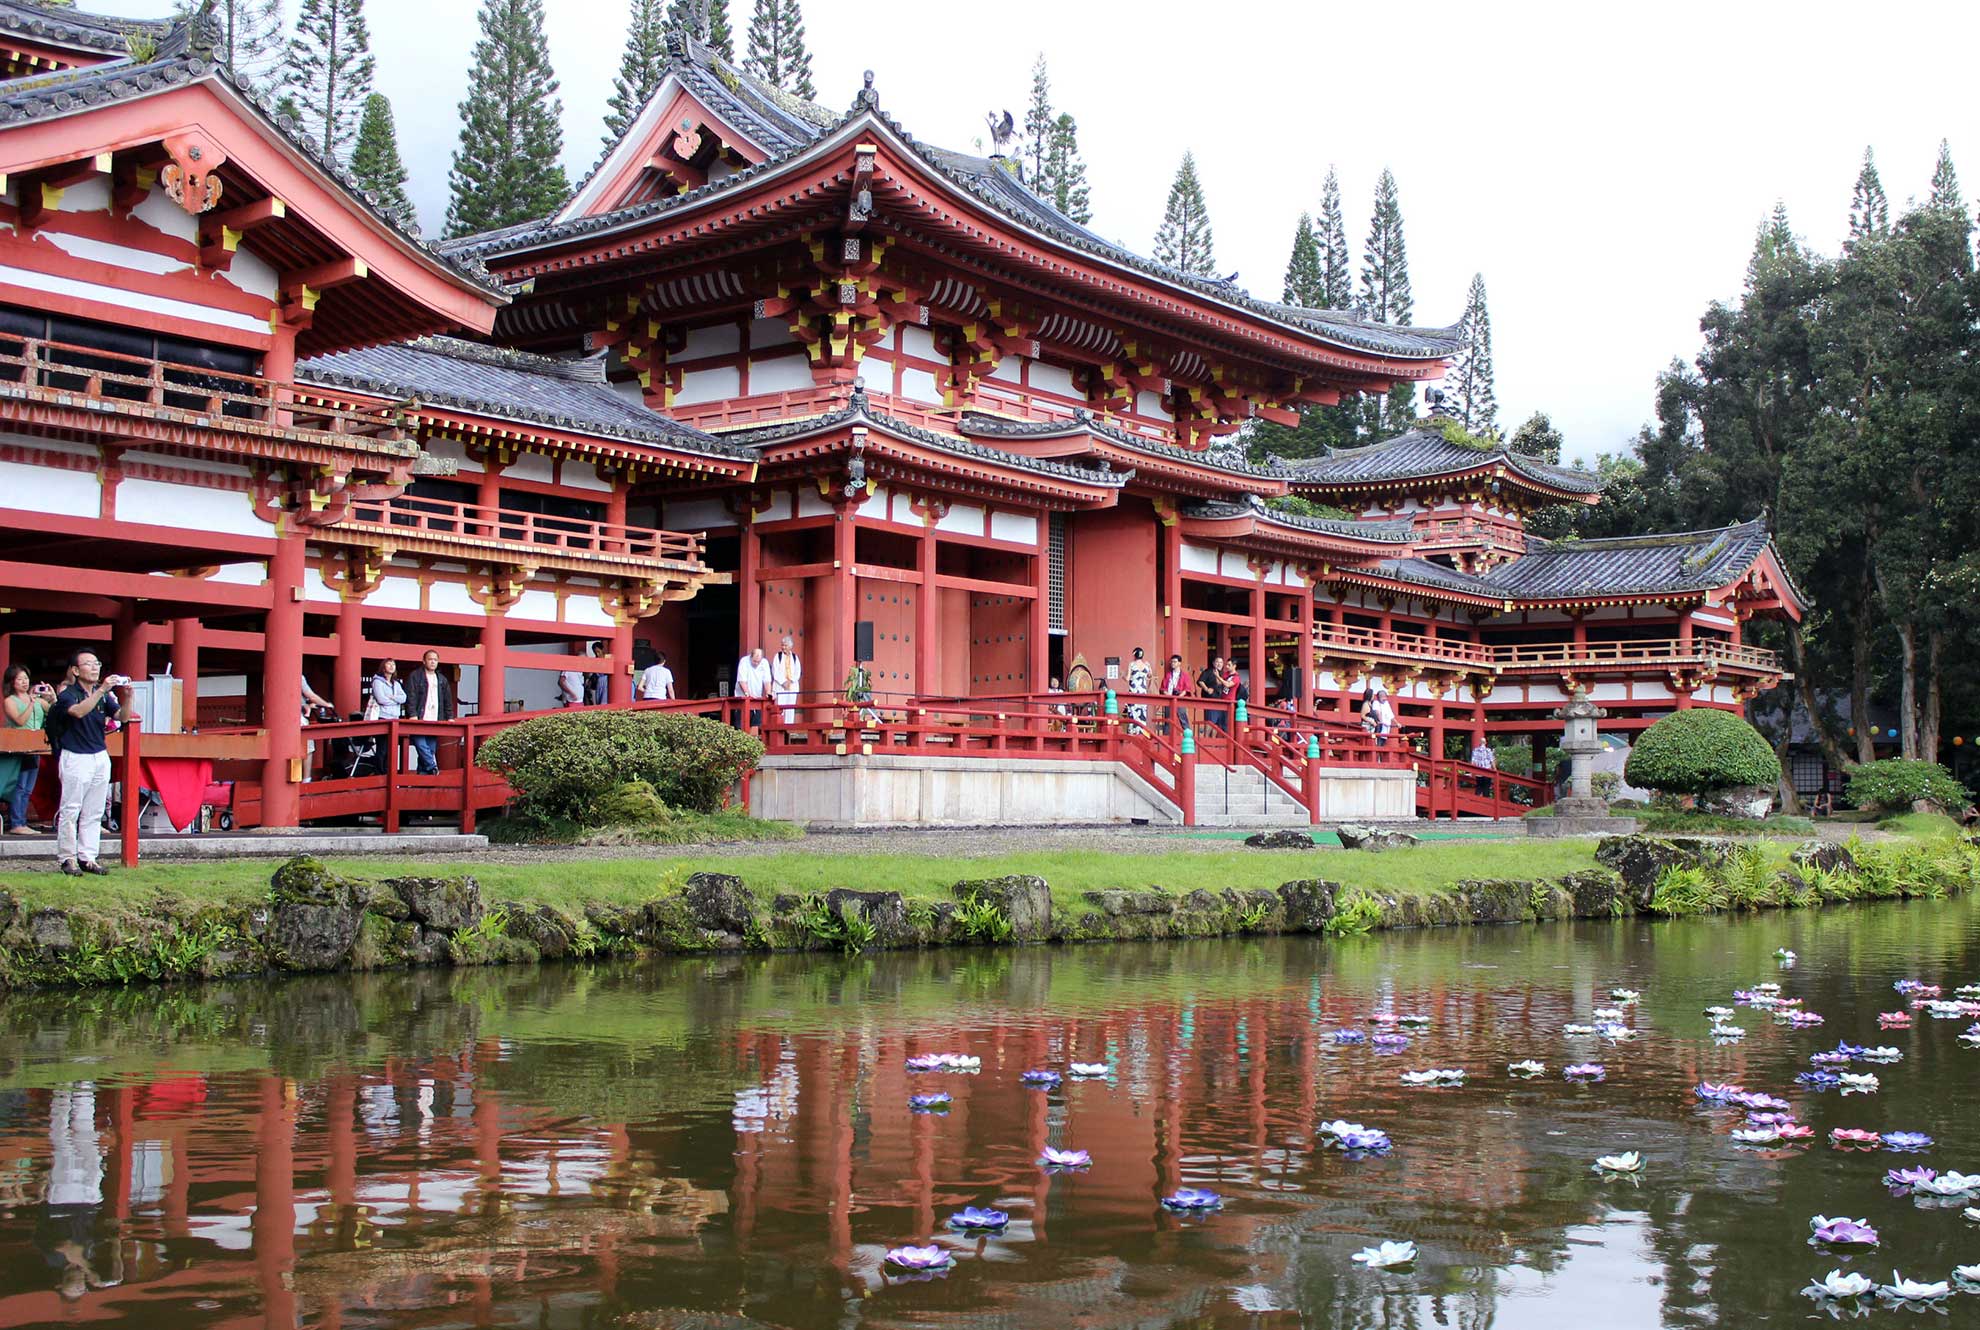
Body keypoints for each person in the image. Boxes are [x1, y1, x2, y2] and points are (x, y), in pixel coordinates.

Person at [52, 650, 132, 876]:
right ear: (76, 671)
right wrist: (102, 690)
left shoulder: (104, 696)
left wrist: (128, 697)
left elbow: (122, 718)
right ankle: (67, 857)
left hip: (98, 755)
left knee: (94, 810)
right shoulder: (69, 694)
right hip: (75, 755)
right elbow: (77, 712)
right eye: (88, 664)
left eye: (97, 663)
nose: (95, 667)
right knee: (71, 809)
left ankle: (88, 856)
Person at [1, 664, 54, 834]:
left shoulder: (40, 701)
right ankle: (17, 823)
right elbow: (19, 721)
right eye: (20, 679)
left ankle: (21, 821)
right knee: (19, 786)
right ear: (12, 682)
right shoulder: (10, 701)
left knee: (28, 788)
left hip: (36, 747)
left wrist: (52, 698)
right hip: (17, 749)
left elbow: (55, 713)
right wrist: (31, 703)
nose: (24, 682)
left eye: (26, 678)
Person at [403, 650, 454, 775]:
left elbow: (447, 699)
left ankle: (423, 777)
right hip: (419, 717)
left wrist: (450, 716)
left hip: (435, 718)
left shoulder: (441, 679)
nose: (433, 662)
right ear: (424, 661)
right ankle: (432, 766)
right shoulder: (415, 676)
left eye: (435, 660)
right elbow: (411, 696)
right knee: (421, 745)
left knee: (431, 748)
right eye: (430, 659)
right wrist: (412, 714)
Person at [734, 646, 772, 728]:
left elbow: (767, 680)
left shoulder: (764, 663)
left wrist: (768, 692)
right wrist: (748, 694)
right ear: (751, 657)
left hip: (757, 697)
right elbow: (742, 681)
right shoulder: (744, 661)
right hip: (744, 697)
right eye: (754, 661)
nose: (756, 663)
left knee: (756, 726)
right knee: (741, 726)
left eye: (758, 661)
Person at [771, 636, 802, 725]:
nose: (783, 647)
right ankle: (780, 725)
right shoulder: (778, 656)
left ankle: (789, 726)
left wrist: (791, 681)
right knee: (781, 706)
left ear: (790, 646)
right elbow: (775, 671)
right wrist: (783, 682)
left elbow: (798, 671)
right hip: (780, 686)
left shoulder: (795, 657)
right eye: (782, 645)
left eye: (785, 645)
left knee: (790, 707)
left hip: (792, 686)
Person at [1197, 655, 1228, 732]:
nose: (1219, 664)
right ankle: (1206, 740)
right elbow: (1200, 681)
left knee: (1217, 724)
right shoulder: (1208, 671)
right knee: (1210, 722)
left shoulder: (1223, 674)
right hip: (1211, 700)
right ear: (1213, 663)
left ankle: (1213, 743)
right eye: (1217, 662)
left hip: (1220, 701)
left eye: (1221, 662)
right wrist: (1207, 689)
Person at [1124, 646, 1151, 733]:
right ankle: (1142, 732)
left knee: (1132, 713)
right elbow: (1150, 676)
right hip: (1143, 692)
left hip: (1133, 691)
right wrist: (1149, 667)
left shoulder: (1132, 664)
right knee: (1142, 713)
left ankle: (1132, 732)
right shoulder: (1146, 665)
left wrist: (1122, 676)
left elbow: (1127, 678)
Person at [583, 641, 607, 706]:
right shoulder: (594, 661)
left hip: (605, 683)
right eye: (595, 652)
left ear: (603, 650)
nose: (597, 654)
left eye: (598, 652)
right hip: (595, 684)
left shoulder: (607, 660)